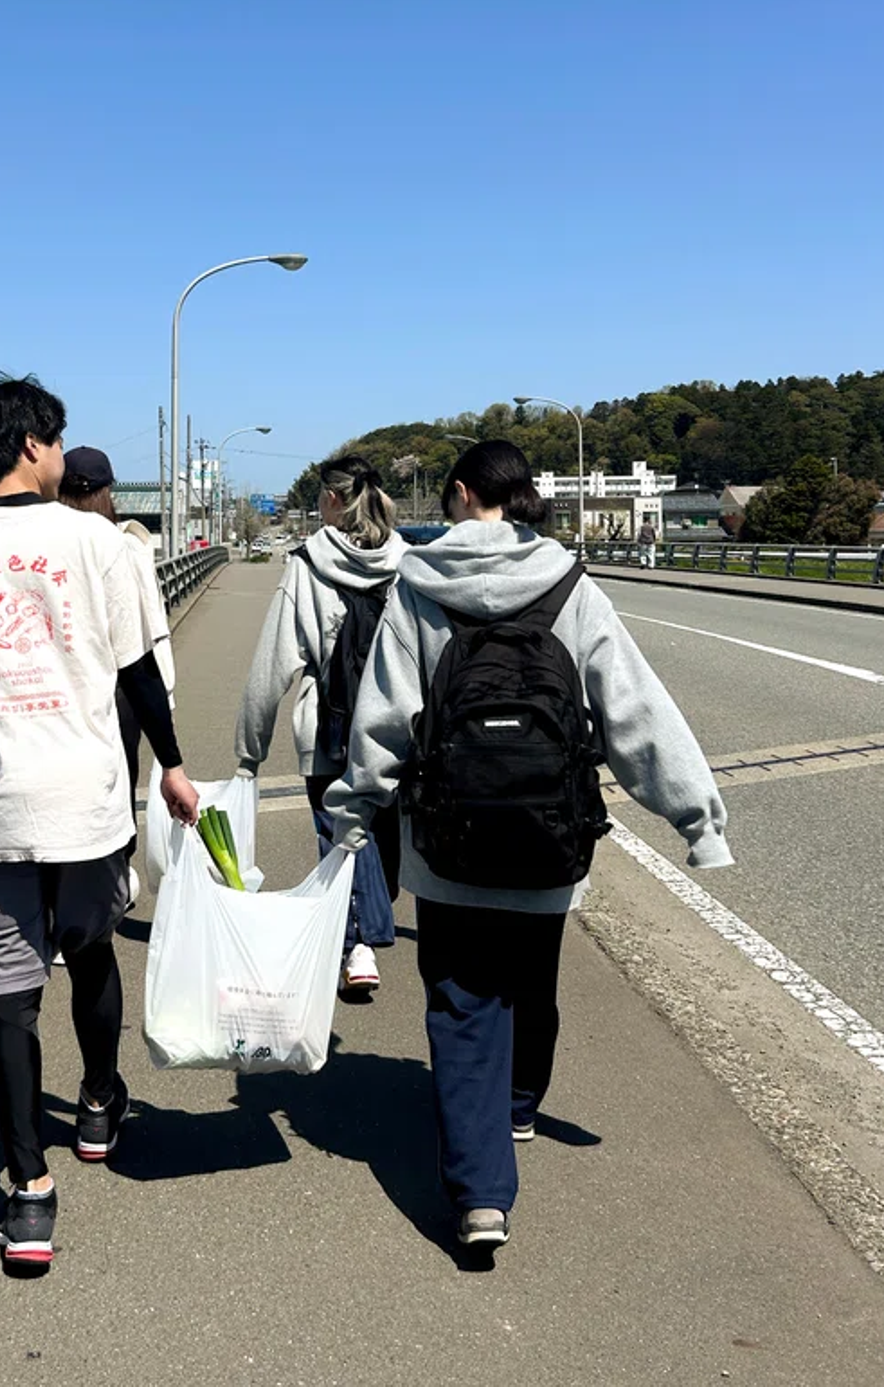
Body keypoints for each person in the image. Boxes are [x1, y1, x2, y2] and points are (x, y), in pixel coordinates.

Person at [323, 440, 731, 1253]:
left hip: (447, 843)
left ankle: (481, 1196)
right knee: (530, 981)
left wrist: (353, 811)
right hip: (550, 840)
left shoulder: (419, 587)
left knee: (461, 1002)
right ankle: (517, 1107)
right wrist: (698, 821)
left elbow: (385, 718)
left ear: (461, 494)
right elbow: (635, 710)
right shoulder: (570, 586)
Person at [0, 373, 198, 1270]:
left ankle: (28, 1194)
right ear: (31, 445)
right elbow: (139, 672)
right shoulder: (101, 544)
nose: (61, 454)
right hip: (86, 804)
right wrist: (172, 767)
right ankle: (96, 1107)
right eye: (56, 440)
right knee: (91, 955)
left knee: (11, 1000)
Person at [235, 455, 405, 994]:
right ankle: (365, 928)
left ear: (331, 499)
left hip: (329, 726)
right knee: (379, 828)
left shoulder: (308, 564)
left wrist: (249, 753)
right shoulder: (407, 562)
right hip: (396, 728)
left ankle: (357, 943)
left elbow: (273, 663)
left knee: (339, 832)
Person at [58, 444, 176, 907]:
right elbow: (148, 626)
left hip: (65, 688)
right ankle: (113, 877)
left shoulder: (48, 540)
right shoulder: (123, 544)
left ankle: (70, 888)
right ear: (108, 492)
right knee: (118, 780)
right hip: (123, 687)